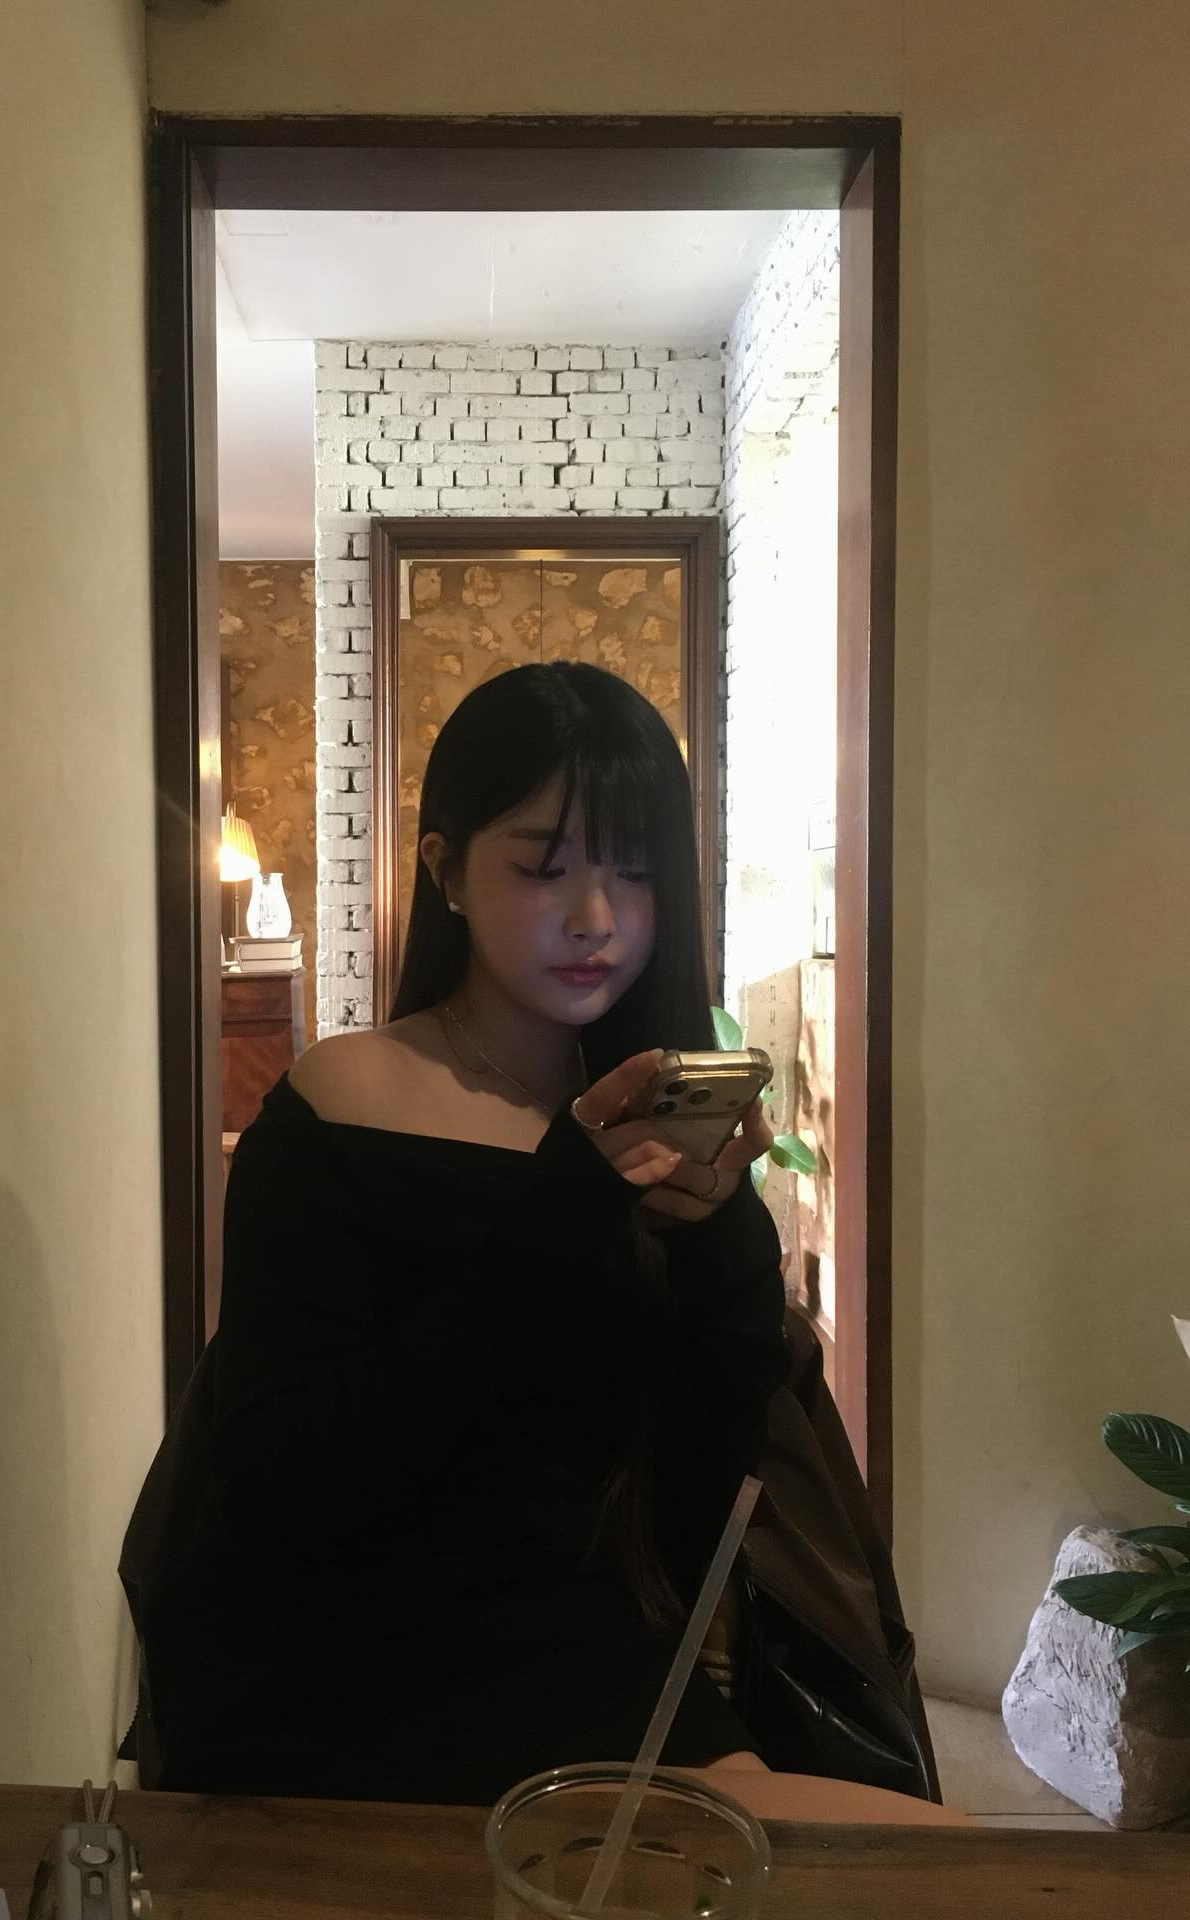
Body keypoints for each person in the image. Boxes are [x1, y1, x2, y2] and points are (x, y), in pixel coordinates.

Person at [120, 662, 964, 1826]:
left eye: (635, 869)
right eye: (544, 867)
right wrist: (560, 1217)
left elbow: (694, 1502)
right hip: (342, 1658)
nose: (596, 918)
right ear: (445, 870)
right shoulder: (343, 1100)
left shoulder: (633, 1119)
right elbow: (279, 1480)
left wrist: (721, 1241)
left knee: (919, 1856)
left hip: (582, 1640)